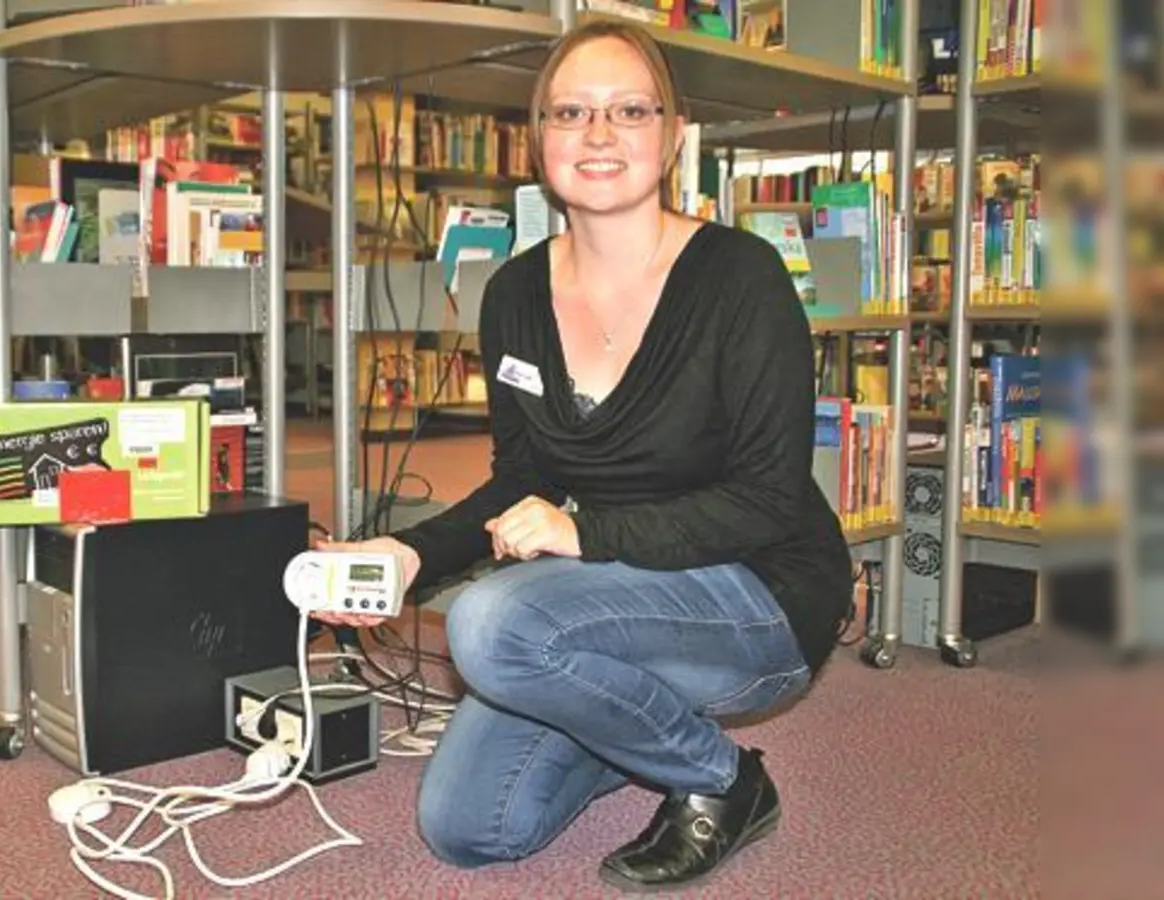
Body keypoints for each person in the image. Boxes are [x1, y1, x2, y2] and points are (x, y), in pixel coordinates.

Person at [313, 17, 854, 894]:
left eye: (629, 110)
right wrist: (408, 555)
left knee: (492, 623)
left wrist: (584, 531)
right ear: (540, 141)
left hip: (758, 590)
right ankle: (627, 713)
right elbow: (521, 478)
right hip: (613, 594)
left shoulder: (740, 279)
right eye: (571, 113)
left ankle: (722, 778)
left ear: (672, 137)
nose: (599, 134)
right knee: (469, 828)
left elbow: (766, 499)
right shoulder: (516, 292)